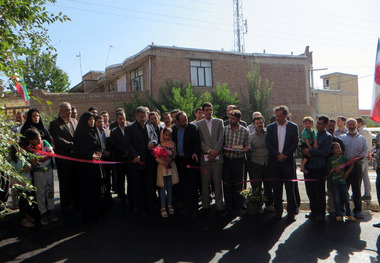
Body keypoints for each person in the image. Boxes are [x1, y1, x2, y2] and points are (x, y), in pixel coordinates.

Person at [265, 105, 299, 221]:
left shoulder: (293, 127)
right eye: (276, 116)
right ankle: (278, 210)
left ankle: (291, 212)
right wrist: (277, 155)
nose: (277, 118)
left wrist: (285, 155)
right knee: (277, 188)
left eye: (280, 116)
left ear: (286, 115)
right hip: (275, 162)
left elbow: (295, 144)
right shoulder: (270, 128)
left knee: (290, 188)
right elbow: (268, 144)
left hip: (288, 162)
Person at [125, 106, 158, 216]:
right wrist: (135, 155)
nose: (143, 119)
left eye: (145, 117)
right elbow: (128, 144)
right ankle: (140, 209)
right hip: (137, 163)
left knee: (149, 186)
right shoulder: (129, 128)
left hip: (149, 162)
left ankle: (150, 207)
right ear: (136, 116)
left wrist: (153, 142)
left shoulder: (149, 125)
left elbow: (155, 137)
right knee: (138, 187)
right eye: (141, 117)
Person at [74, 112, 105, 223]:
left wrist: (100, 153)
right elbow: (78, 150)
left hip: (96, 167)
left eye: (93, 119)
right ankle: (88, 215)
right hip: (85, 169)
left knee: (98, 190)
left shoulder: (95, 131)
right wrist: (89, 155)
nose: (92, 121)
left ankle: (97, 212)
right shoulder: (80, 133)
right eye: (89, 119)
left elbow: (101, 146)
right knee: (87, 192)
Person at [49, 102, 78, 216]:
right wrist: (72, 146)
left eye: (70, 110)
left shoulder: (75, 121)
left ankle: (75, 202)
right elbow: (58, 139)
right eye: (66, 110)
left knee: (75, 181)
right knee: (65, 183)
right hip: (64, 159)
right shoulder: (55, 124)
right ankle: (65, 205)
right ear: (60, 111)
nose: (69, 112)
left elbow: (78, 136)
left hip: (75, 158)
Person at [302, 115, 332, 221]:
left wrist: (310, 151)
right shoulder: (311, 133)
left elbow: (325, 152)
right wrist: (304, 150)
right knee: (310, 190)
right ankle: (313, 211)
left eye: (320, 123)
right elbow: (303, 145)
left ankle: (321, 212)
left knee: (319, 191)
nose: (318, 125)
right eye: (317, 123)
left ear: (325, 125)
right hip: (308, 166)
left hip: (319, 167)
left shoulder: (328, 137)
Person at [24, 128, 58, 225]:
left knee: (50, 191)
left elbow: (52, 153)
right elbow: (33, 163)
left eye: (39, 137)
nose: (39, 140)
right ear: (31, 141)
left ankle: (51, 210)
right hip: (38, 174)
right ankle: (43, 212)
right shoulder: (29, 149)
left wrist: (40, 159)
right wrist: (45, 157)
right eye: (36, 139)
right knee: (40, 193)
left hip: (49, 170)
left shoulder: (45, 143)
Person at [172, 111, 201, 216]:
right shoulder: (174, 129)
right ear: (177, 121)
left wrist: (195, 152)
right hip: (179, 160)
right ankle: (185, 203)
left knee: (192, 183)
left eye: (186, 120)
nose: (185, 122)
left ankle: (194, 206)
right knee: (182, 183)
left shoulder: (192, 128)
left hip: (190, 160)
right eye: (183, 120)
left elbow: (197, 142)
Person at [197, 102, 224, 212]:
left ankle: (219, 204)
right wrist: (208, 151)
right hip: (205, 158)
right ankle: (205, 204)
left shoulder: (219, 122)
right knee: (205, 183)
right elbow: (200, 141)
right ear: (203, 111)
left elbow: (221, 138)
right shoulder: (198, 125)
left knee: (218, 183)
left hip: (217, 157)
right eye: (206, 110)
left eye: (210, 109)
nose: (209, 111)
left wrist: (215, 151)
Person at [223, 109, 250, 216]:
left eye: (233, 118)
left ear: (239, 119)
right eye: (229, 118)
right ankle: (228, 205)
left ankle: (239, 205)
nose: (230, 120)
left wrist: (243, 149)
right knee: (227, 184)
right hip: (227, 160)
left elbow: (248, 146)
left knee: (238, 184)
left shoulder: (244, 131)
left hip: (238, 160)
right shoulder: (225, 129)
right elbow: (221, 143)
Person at [339, 118, 368, 219]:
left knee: (356, 189)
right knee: (344, 188)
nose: (351, 126)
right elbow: (339, 152)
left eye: (353, 124)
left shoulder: (362, 138)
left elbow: (364, 152)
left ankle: (358, 210)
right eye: (349, 124)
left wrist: (355, 160)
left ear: (356, 126)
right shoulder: (342, 138)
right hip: (344, 166)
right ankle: (342, 211)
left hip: (357, 166)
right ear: (346, 126)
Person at [248, 115, 274, 212]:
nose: (259, 125)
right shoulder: (250, 137)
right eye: (257, 123)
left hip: (268, 164)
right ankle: (258, 206)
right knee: (256, 187)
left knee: (268, 186)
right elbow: (248, 151)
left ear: (264, 123)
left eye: (261, 123)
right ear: (254, 125)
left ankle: (269, 205)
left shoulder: (269, 135)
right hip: (256, 164)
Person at [327, 142, 357, 222]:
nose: (338, 149)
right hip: (334, 183)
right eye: (336, 148)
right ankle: (339, 214)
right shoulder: (330, 160)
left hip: (343, 182)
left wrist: (347, 172)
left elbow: (351, 164)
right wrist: (333, 170)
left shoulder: (343, 158)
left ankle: (349, 214)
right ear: (332, 150)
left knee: (346, 198)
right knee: (336, 199)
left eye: (339, 147)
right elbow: (327, 171)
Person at [154, 127, 179, 218]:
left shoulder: (173, 144)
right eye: (166, 135)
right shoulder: (159, 145)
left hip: (170, 168)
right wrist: (163, 162)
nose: (167, 137)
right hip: (162, 168)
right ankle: (163, 206)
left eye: (169, 135)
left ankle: (169, 204)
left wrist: (171, 158)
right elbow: (156, 157)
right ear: (163, 135)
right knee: (162, 187)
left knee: (170, 186)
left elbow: (175, 154)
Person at [9, 144, 34, 228]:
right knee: (22, 200)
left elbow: (28, 165)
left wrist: (29, 166)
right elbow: (13, 172)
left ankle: (26, 215)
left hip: (26, 182)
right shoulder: (13, 160)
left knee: (27, 198)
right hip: (19, 183)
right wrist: (24, 169)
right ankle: (23, 219)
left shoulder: (23, 157)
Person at [326, 118, 346, 217]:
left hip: (338, 172)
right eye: (329, 126)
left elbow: (342, 154)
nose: (331, 128)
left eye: (332, 126)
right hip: (326, 170)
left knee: (340, 192)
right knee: (330, 192)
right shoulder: (321, 140)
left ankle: (340, 210)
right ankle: (331, 210)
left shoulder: (338, 141)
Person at [110, 111, 128, 204]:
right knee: (120, 178)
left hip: (129, 158)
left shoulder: (129, 129)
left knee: (130, 178)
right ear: (117, 120)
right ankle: (121, 195)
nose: (122, 120)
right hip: (119, 158)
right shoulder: (114, 131)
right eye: (120, 119)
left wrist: (128, 152)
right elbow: (114, 144)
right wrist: (123, 152)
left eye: (123, 118)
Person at [95, 115, 112, 203]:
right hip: (98, 160)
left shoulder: (108, 132)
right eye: (99, 122)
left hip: (107, 160)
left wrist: (108, 151)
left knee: (108, 179)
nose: (101, 123)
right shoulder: (93, 133)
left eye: (102, 121)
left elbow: (111, 143)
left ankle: (108, 197)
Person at [356, 117, 373, 201]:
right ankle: (367, 193)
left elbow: (365, 144)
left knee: (359, 175)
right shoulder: (365, 130)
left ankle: (358, 194)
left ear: (360, 123)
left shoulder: (363, 131)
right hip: (365, 155)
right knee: (365, 176)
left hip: (363, 155)